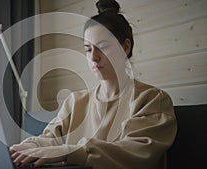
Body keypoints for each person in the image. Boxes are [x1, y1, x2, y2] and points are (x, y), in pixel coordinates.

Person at [10, 0, 177, 169]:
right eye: (88, 49)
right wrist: (30, 147)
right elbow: (50, 138)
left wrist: (68, 152)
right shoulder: (75, 101)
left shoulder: (152, 99)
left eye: (102, 47)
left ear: (125, 47)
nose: (93, 57)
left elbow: (135, 152)